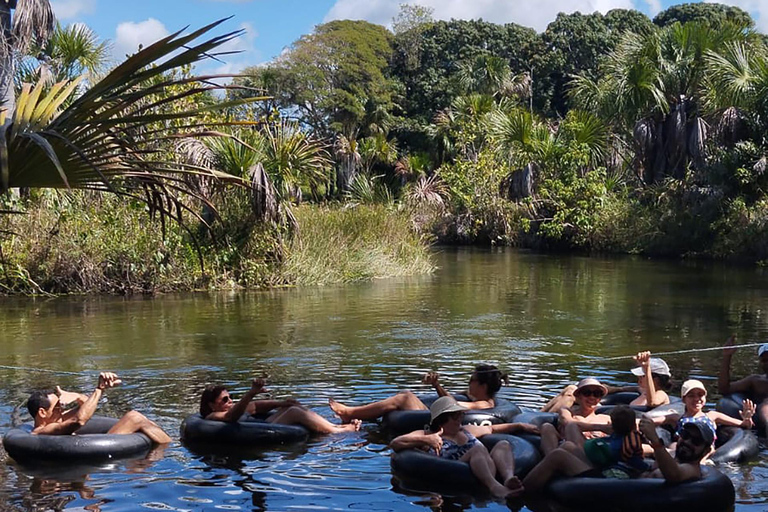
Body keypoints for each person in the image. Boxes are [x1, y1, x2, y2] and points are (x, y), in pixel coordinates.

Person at [522, 413, 713, 493]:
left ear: (705, 450)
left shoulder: (691, 469)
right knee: (568, 447)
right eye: (685, 435)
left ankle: (518, 493)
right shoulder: (672, 456)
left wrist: (655, 441)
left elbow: (674, 475)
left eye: (695, 441)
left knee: (558, 456)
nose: (687, 442)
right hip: (617, 478)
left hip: (613, 489)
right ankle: (545, 481)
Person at [390, 396, 534, 498]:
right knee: (477, 449)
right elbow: (396, 443)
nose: (460, 418)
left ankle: (508, 478)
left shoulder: (467, 430)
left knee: (503, 444)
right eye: (455, 416)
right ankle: (495, 487)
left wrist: (520, 425)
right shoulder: (427, 434)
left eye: (460, 415)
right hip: (457, 471)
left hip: (486, 466)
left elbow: (492, 429)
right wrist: (425, 440)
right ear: (441, 419)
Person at [329, 364, 507, 423]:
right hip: (432, 413)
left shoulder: (484, 404)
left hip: (438, 421)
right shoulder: (474, 395)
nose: (469, 382)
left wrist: (437, 385)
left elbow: (453, 406)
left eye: (472, 380)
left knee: (406, 397)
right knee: (405, 395)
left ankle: (349, 413)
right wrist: (435, 384)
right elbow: (451, 398)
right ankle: (359, 414)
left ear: (483, 386)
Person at [28, 372, 172, 444]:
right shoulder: (42, 431)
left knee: (143, 420)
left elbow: (87, 406)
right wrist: (100, 389)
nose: (62, 409)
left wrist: (76, 396)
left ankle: (171, 443)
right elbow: (79, 421)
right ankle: (171, 448)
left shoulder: (55, 419)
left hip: (94, 452)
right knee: (134, 417)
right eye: (57, 407)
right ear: (42, 412)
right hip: (96, 453)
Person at [200, 378, 361, 434]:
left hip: (264, 424)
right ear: (212, 405)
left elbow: (256, 407)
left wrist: (282, 403)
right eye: (225, 399)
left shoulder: (235, 408)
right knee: (293, 413)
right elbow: (230, 417)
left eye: (230, 397)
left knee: (290, 407)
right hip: (260, 431)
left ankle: (336, 426)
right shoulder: (212, 417)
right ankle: (337, 431)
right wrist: (250, 393)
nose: (230, 401)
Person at [653, 379, 755, 458]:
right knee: (674, 445)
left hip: (704, 451)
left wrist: (747, 418)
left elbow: (744, 425)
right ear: (684, 399)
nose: (697, 399)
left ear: (705, 398)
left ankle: (701, 464)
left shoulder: (712, 415)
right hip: (682, 450)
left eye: (700, 395)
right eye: (691, 396)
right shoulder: (676, 418)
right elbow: (650, 421)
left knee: (708, 447)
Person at [541, 352, 670, 412]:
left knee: (571, 395)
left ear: (655, 379)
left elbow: (652, 403)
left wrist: (646, 368)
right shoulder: (641, 391)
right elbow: (623, 389)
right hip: (607, 412)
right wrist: (600, 389)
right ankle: (539, 414)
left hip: (609, 416)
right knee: (571, 388)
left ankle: (545, 419)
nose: (638, 379)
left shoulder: (660, 395)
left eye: (642, 376)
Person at [542, 378, 612, 454]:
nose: (592, 397)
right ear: (578, 396)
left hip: (592, 456)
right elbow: (568, 423)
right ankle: (552, 459)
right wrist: (600, 427)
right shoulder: (567, 412)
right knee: (547, 427)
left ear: (600, 398)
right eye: (587, 393)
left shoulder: (606, 418)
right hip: (566, 453)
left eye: (597, 394)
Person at [719, 335, 768, 432]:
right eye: (764, 360)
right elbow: (724, 389)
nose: (767, 363)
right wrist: (727, 356)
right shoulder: (756, 381)